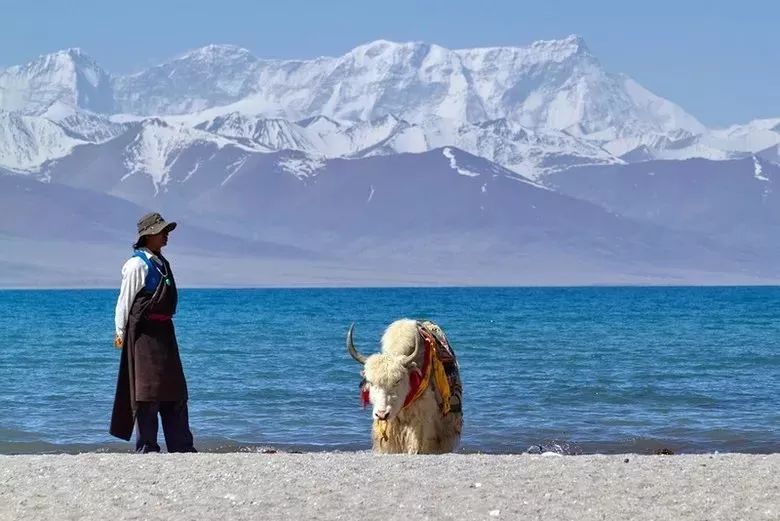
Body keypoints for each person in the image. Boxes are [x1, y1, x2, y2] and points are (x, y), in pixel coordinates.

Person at [109, 212, 196, 453]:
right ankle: (147, 446)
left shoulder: (162, 262)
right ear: (148, 235)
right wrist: (120, 332)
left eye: (166, 231)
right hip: (143, 336)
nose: (166, 236)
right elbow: (124, 301)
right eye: (162, 232)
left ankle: (182, 446)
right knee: (147, 393)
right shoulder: (136, 265)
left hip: (165, 333)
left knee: (175, 391)